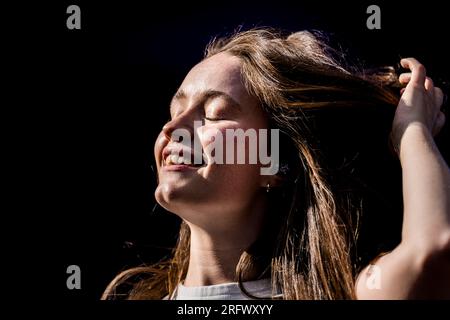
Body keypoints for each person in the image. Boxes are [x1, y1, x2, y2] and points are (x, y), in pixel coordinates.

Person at [102, 29, 449, 300]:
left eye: (213, 113)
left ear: (272, 162)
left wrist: (411, 131)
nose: (172, 129)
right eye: (175, 112)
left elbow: (431, 253)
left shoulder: (344, 292)